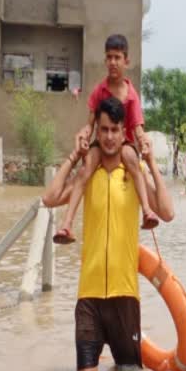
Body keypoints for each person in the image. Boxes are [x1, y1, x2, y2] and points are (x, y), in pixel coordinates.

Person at [42, 96, 174, 371]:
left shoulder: (133, 174)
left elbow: (167, 212)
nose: (110, 137)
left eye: (115, 130)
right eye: (104, 130)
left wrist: (150, 161)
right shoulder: (88, 177)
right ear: (96, 132)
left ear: (123, 132)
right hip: (88, 297)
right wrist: (74, 156)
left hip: (124, 297)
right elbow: (50, 197)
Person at [53, 34, 158, 245]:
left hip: (124, 143)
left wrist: (143, 140)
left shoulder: (131, 95)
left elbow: (137, 128)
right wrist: (84, 135)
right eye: (109, 57)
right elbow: (90, 123)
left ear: (126, 61)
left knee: (131, 158)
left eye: (117, 57)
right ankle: (67, 223)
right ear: (105, 60)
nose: (113, 62)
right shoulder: (99, 91)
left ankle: (147, 211)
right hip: (101, 144)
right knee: (85, 170)